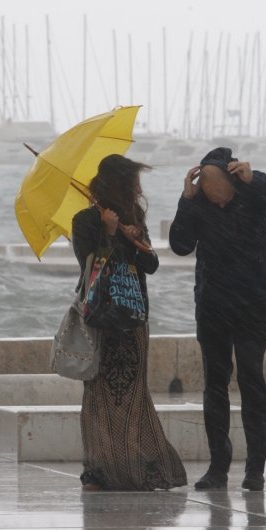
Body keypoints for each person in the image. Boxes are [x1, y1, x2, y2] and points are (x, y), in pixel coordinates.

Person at [169, 147, 266, 491]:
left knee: (251, 379)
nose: (210, 194)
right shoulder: (197, 202)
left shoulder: (252, 189)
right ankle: (218, 467)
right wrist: (186, 200)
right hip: (213, 304)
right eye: (204, 186)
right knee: (215, 384)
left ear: (230, 179)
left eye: (214, 185)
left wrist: (255, 180)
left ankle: (255, 469)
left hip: (254, 302)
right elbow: (180, 245)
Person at [71, 154, 187, 491]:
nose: (138, 188)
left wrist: (139, 243)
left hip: (133, 317)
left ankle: (137, 466)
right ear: (119, 184)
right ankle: (98, 471)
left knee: (133, 394)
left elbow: (150, 267)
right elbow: (89, 267)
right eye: (133, 181)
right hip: (102, 319)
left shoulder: (134, 218)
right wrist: (108, 234)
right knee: (100, 394)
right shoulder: (85, 220)